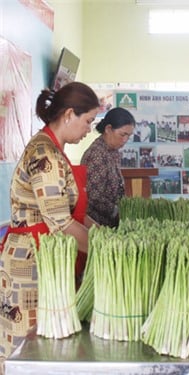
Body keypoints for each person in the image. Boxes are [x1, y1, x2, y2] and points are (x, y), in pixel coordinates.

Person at [0, 82, 99, 364]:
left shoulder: (54, 150)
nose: (89, 129)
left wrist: (100, 233)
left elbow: (71, 213)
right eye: (88, 121)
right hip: (30, 263)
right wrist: (100, 250)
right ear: (69, 114)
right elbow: (61, 222)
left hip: (44, 255)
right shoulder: (46, 155)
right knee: (26, 348)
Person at [81, 107, 136, 227]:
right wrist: (119, 211)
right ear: (108, 129)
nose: (125, 140)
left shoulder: (113, 151)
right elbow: (94, 196)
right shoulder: (97, 154)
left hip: (111, 222)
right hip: (97, 225)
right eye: (122, 134)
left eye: (129, 135)